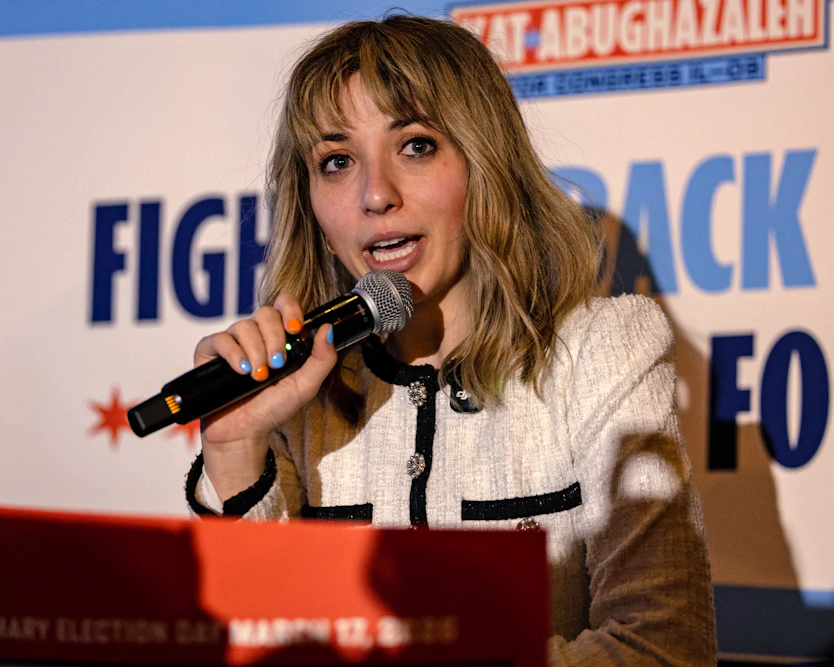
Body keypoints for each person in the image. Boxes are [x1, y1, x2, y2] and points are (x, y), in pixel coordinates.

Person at [183, 14, 716, 665]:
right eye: (337, 161)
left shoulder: (603, 350)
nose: (375, 193)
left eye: (415, 145)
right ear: (312, 205)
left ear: (484, 163)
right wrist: (237, 451)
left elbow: (664, 648)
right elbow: (254, 644)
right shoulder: (293, 391)